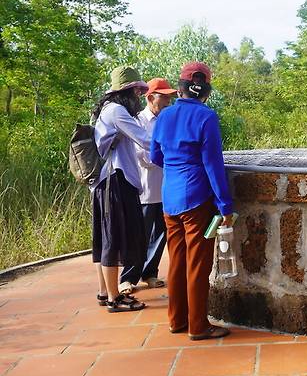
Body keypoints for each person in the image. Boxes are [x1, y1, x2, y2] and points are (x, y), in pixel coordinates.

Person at [151, 62, 234, 340]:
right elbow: (213, 165)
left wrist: (177, 165)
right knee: (198, 263)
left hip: (169, 199)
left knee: (176, 260)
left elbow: (155, 157)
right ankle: (198, 325)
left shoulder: (163, 116)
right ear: (206, 91)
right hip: (197, 198)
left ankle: (176, 320)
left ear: (181, 89)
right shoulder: (206, 117)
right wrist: (225, 206)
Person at [91, 65, 149, 312]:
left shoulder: (106, 110)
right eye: (136, 91)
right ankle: (115, 298)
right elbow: (145, 139)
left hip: (107, 181)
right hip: (116, 180)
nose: (139, 96)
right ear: (125, 92)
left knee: (105, 238)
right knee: (114, 239)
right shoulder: (116, 112)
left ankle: (105, 292)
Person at [124, 78, 177, 289]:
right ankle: (128, 278)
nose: (167, 101)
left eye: (169, 97)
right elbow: (140, 154)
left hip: (165, 187)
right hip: (144, 188)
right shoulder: (137, 121)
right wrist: (162, 155)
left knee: (161, 234)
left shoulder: (168, 120)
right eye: (163, 97)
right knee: (139, 235)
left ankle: (149, 273)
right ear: (150, 97)